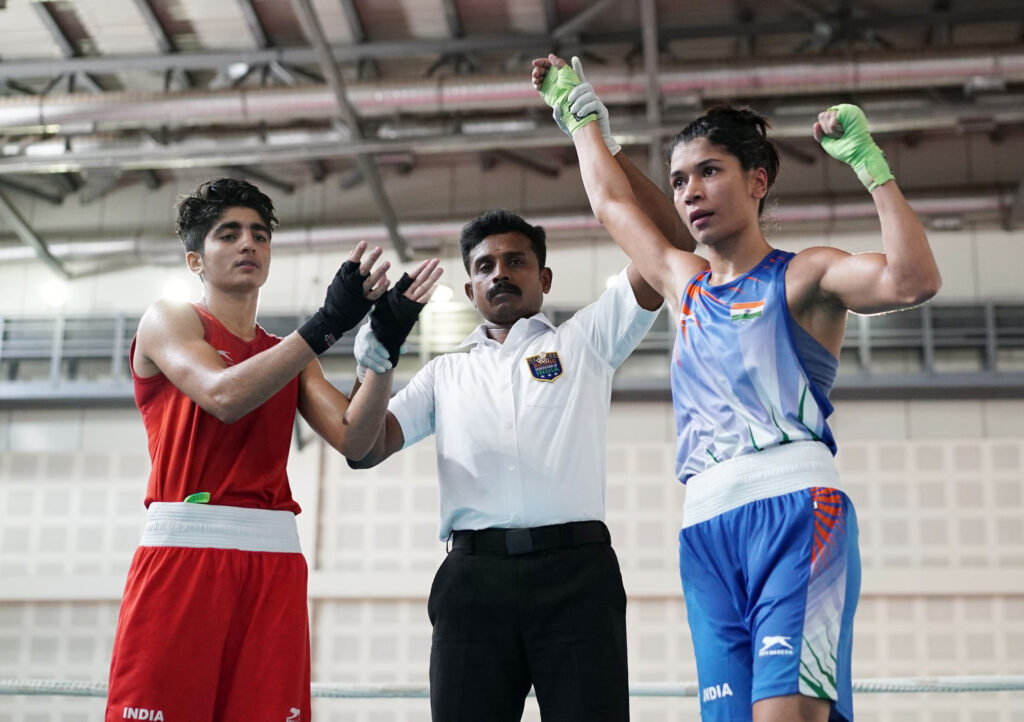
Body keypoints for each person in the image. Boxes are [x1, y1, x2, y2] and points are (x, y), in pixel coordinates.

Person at [534, 55, 942, 722]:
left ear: (758, 180)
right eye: (678, 181)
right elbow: (611, 203)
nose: (689, 190)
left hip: (798, 513)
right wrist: (580, 116)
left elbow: (912, 280)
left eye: (708, 171)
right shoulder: (681, 283)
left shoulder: (803, 275)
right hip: (704, 530)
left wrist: (873, 168)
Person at [347, 176, 691, 719]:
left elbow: (672, 239)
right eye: (484, 266)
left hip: (577, 576)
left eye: (515, 262)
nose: (500, 273)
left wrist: (598, 140)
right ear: (469, 290)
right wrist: (377, 361)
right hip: (472, 582)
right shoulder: (443, 373)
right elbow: (362, 448)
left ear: (544, 277)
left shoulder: (586, 340)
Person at [104, 177, 442, 722]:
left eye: (260, 235)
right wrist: (327, 324)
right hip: (185, 555)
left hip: (273, 563)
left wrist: (380, 356)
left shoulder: (289, 355)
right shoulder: (169, 319)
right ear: (196, 260)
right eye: (229, 234)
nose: (248, 244)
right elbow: (223, 395)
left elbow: (359, 442)